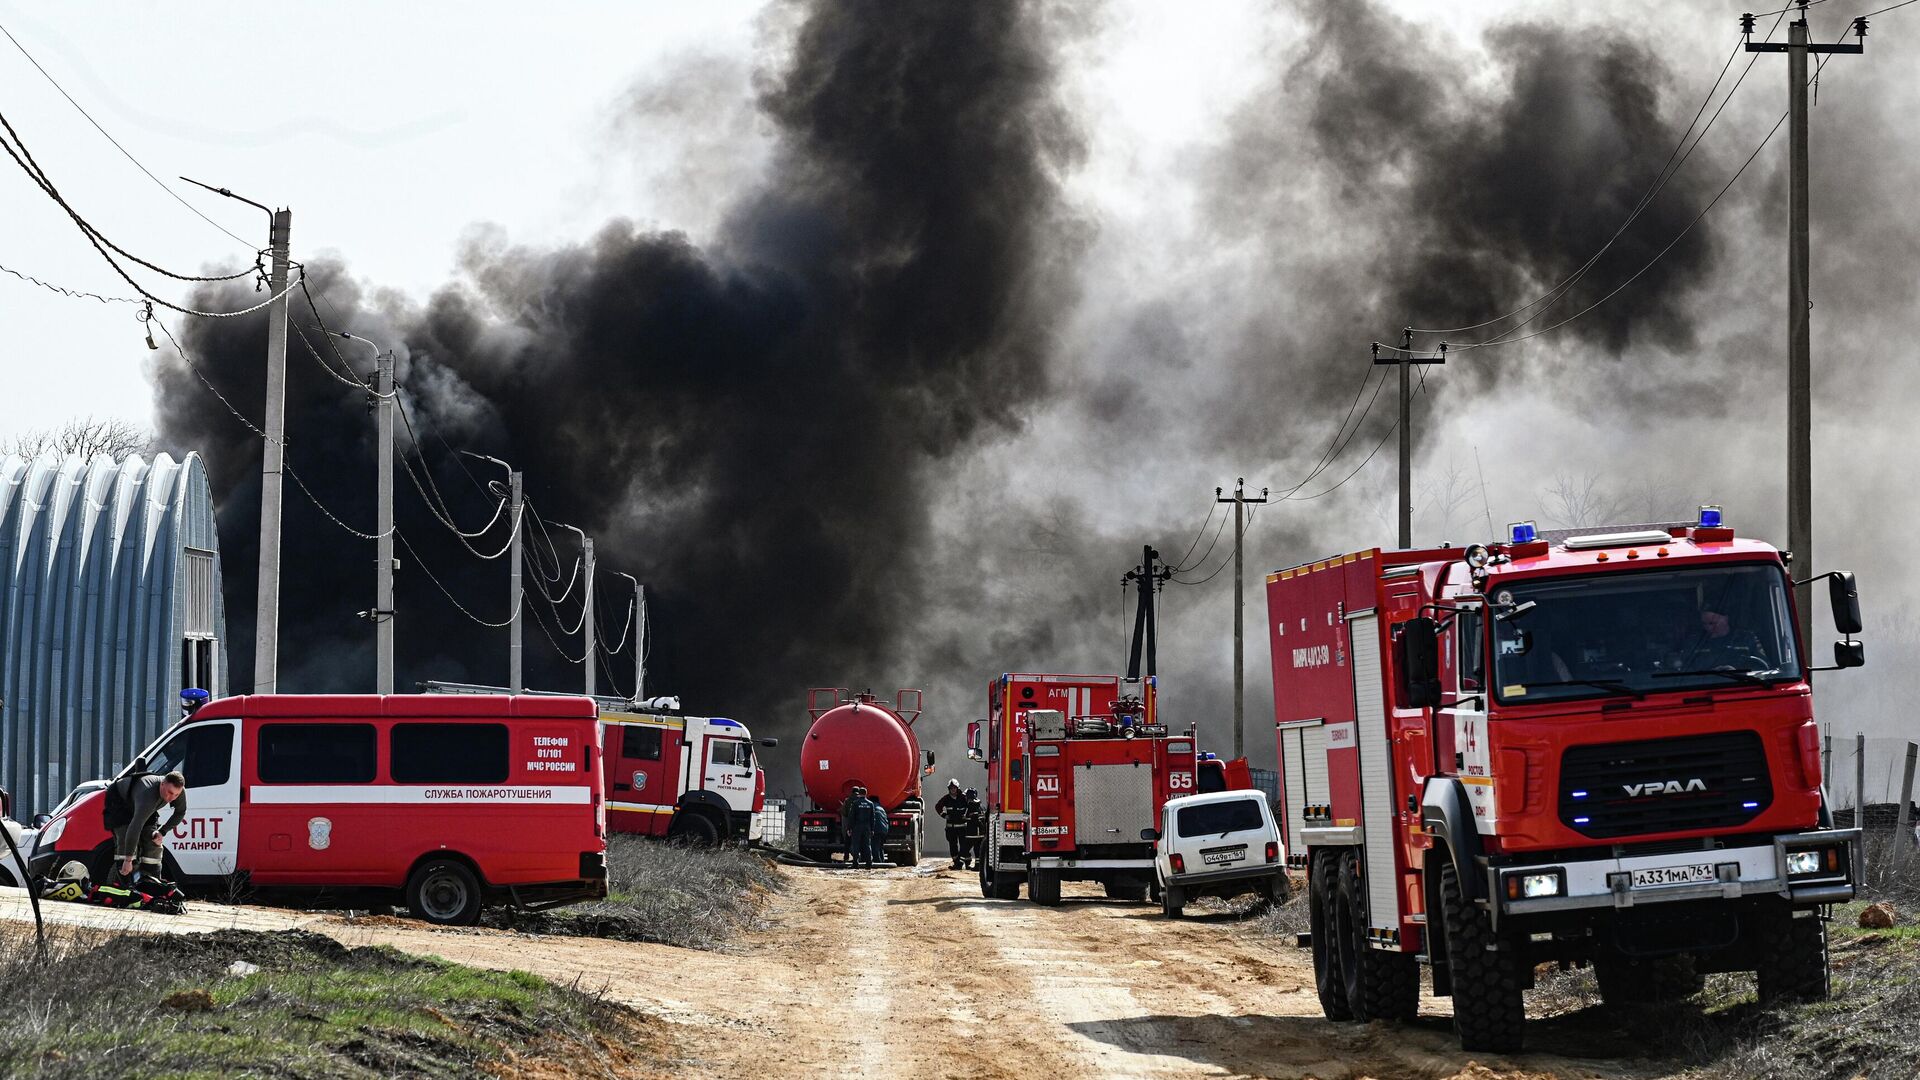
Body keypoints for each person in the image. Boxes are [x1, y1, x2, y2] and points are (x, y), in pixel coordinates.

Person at [113, 771, 186, 885]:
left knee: (153, 842)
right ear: (162, 784)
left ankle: (151, 885)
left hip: (145, 808)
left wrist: (162, 832)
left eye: (176, 795)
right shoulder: (147, 796)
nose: (172, 798)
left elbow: (180, 812)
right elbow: (135, 826)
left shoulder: (177, 791)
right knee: (125, 841)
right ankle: (126, 886)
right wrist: (128, 860)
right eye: (170, 792)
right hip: (121, 805)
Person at [935, 779, 970, 869]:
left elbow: (970, 807)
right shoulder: (946, 798)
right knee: (953, 846)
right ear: (949, 789)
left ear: (957, 788)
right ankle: (956, 862)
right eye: (951, 788)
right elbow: (938, 806)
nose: (953, 790)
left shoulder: (963, 798)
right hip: (951, 828)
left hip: (962, 827)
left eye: (954, 788)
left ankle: (965, 863)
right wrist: (944, 815)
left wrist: (967, 816)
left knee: (964, 846)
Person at [843, 786, 874, 868]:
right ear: (866, 794)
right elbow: (872, 818)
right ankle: (869, 863)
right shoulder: (870, 804)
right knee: (867, 845)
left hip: (857, 827)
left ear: (859, 794)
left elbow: (851, 817)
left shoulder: (855, 803)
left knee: (856, 845)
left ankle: (855, 864)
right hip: (867, 827)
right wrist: (872, 829)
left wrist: (849, 828)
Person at [962, 788, 985, 870]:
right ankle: (978, 866)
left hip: (971, 833)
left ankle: (959, 864)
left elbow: (965, 818)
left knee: (964, 849)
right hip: (981, 833)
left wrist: (964, 819)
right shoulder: (982, 806)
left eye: (966, 796)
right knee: (977, 849)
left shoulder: (969, 806)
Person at [866, 793, 891, 866]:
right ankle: (882, 862)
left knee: (874, 847)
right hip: (884, 830)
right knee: (880, 847)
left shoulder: (872, 807)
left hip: (876, 830)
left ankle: (878, 863)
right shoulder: (881, 808)